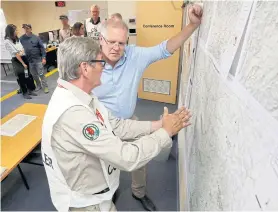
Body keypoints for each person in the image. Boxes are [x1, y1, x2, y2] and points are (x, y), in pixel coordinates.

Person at [41, 36, 191, 211]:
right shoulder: (74, 114)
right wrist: (165, 133)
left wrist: (159, 124)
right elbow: (126, 157)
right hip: (87, 204)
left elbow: (117, 126)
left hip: (97, 194)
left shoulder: (83, 95)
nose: (103, 68)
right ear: (85, 68)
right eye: (100, 62)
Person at [93, 4, 203, 210]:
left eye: (121, 43)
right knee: (103, 164)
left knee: (140, 159)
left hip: (128, 121)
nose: (116, 47)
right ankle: (110, 189)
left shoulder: (134, 56)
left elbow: (165, 49)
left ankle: (138, 193)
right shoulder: (89, 62)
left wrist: (192, 25)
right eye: (111, 42)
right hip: (101, 124)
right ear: (101, 40)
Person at [4, 24, 37, 99]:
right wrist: (23, 63)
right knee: (21, 77)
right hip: (17, 60)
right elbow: (15, 54)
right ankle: (24, 92)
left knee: (27, 75)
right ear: (10, 31)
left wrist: (21, 52)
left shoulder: (16, 38)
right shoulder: (7, 41)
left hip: (23, 57)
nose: (17, 31)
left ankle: (30, 90)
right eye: (15, 30)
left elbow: (21, 48)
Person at [20, 24, 49, 93]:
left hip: (38, 59)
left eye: (27, 28)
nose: (26, 29)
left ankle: (45, 87)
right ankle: (39, 85)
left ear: (30, 29)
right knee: (34, 75)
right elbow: (20, 47)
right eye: (24, 28)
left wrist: (43, 58)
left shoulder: (36, 37)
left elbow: (42, 48)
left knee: (41, 74)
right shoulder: (21, 39)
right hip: (30, 60)